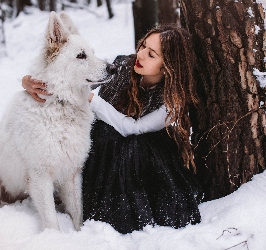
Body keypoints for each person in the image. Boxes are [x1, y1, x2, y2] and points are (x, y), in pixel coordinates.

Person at [22, 24, 203, 234]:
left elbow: (134, 128)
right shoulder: (123, 66)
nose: (140, 54)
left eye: (151, 54)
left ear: (167, 67)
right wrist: (28, 81)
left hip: (140, 154)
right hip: (103, 143)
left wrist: (92, 100)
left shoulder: (172, 102)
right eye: (143, 45)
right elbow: (74, 73)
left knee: (133, 148)